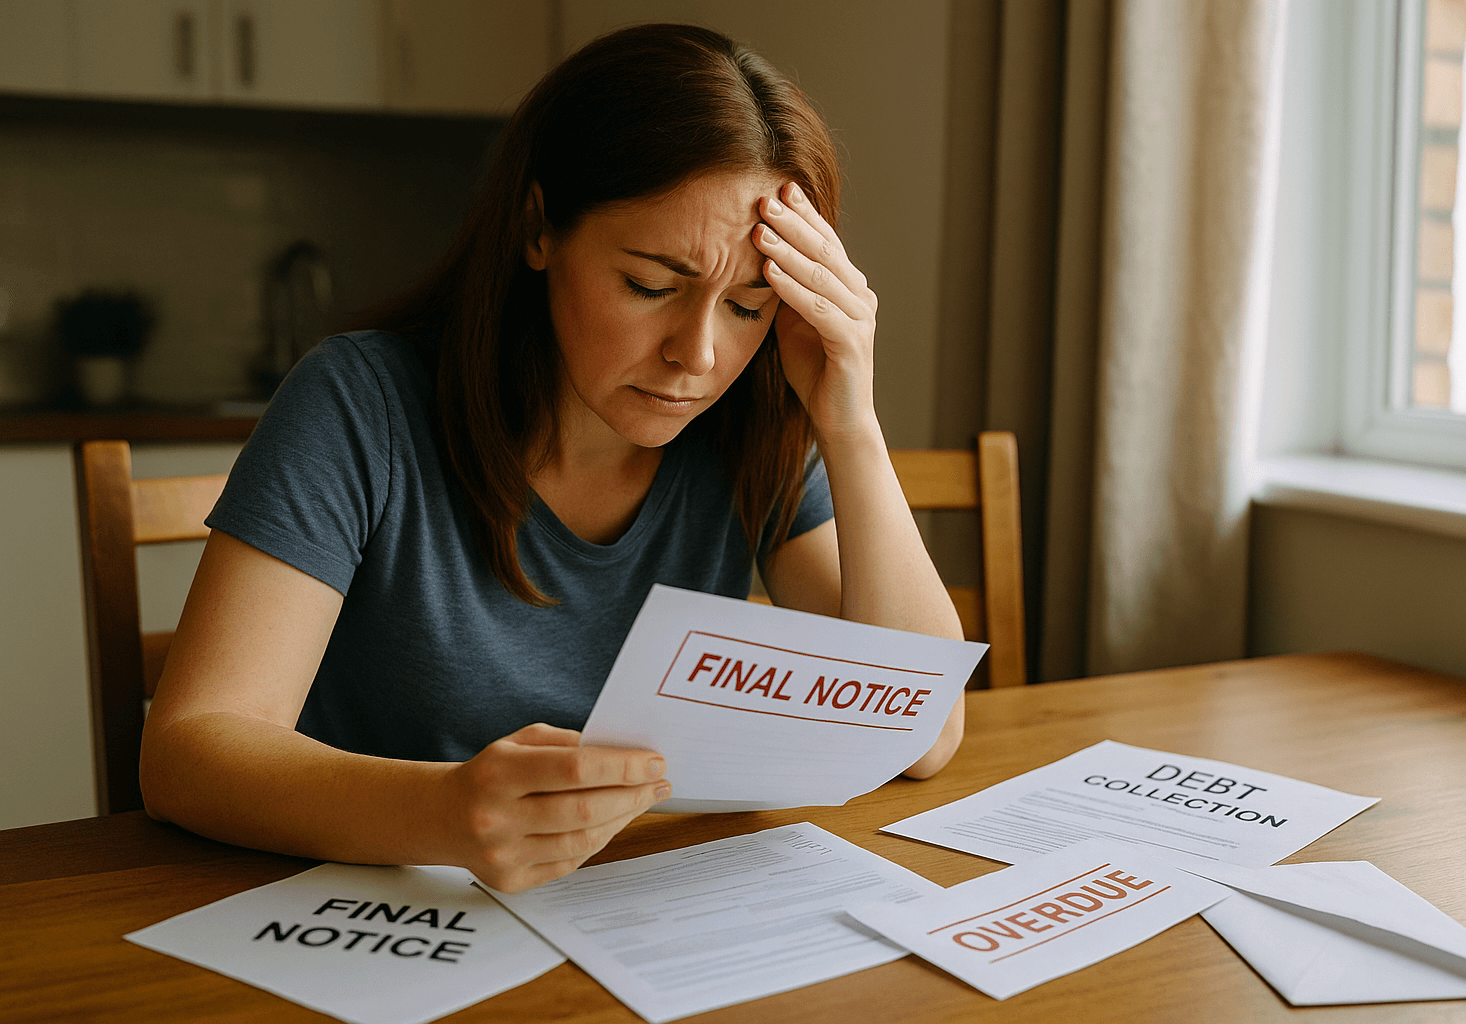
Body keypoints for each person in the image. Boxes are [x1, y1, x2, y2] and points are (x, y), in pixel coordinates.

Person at [140, 23, 963, 893]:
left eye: (750, 306)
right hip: (372, 910)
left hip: (625, 909)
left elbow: (926, 736)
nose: (700, 356)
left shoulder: (752, 424)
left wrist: (853, 426)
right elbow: (189, 750)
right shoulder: (360, 403)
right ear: (539, 228)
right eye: (652, 286)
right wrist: (445, 814)